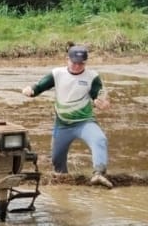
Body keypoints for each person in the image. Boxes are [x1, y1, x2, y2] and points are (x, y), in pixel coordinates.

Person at [22, 44, 113, 187]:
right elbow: (40, 86)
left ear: (86, 62)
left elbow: (98, 95)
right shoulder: (57, 74)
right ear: (67, 59)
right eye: (74, 62)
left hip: (85, 122)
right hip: (63, 125)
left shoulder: (92, 76)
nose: (77, 66)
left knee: (100, 139)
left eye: (81, 63)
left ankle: (99, 173)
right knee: (57, 160)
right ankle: (63, 185)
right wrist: (30, 90)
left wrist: (101, 103)